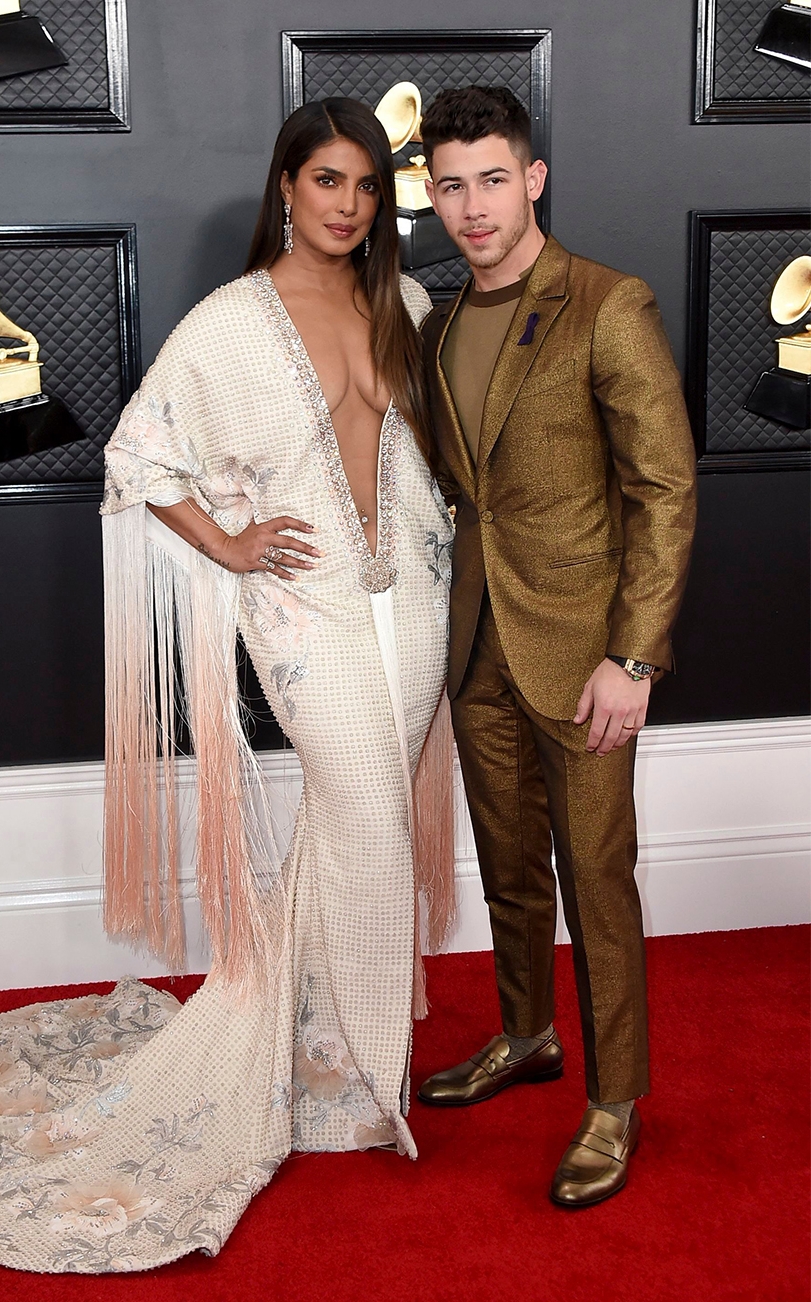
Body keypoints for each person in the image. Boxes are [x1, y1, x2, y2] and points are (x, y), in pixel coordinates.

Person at [0, 98, 457, 1273]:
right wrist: (225, 544)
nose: (348, 205)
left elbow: (425, 458)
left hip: (410, 598)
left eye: (366, 186)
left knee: (351, 823)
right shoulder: (229, 323)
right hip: (302, 609)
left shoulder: (405, 304)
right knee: (362, 811)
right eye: (327, 180)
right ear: (285, 187)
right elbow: (136, 455)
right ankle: (365, 1075)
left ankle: (319, 1048)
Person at [414, 86, 696, 1207]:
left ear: (532, 179)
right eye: (450, 185)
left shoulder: (604, 303)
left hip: (584, 652)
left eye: (492, 178)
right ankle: (524, 1034)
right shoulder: (438, 325)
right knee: (508, 867)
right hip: (474, 640)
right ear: (429, 197)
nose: (473, 206)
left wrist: (632, 659)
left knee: (596, 876)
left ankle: (613, 1100)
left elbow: (664, 491)